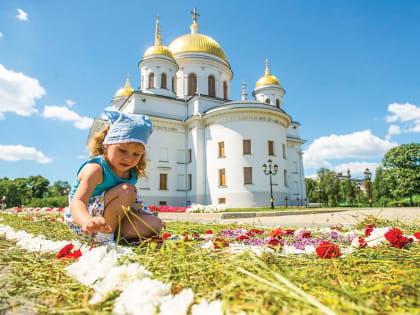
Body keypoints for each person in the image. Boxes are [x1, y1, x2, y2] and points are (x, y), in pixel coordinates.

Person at [64, 110, 162, 243]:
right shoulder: (96, 169)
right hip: (84, 222)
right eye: (122, 150)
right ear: (107, 143)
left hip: (109, 220)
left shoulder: (130, 172)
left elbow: (132, 201)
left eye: (136, 154)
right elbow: (78, 202)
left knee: (155, 224)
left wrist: (148, 216)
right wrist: (87, 221)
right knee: (127, 189)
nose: (128, 158)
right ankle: (103, 239)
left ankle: (110, 235)